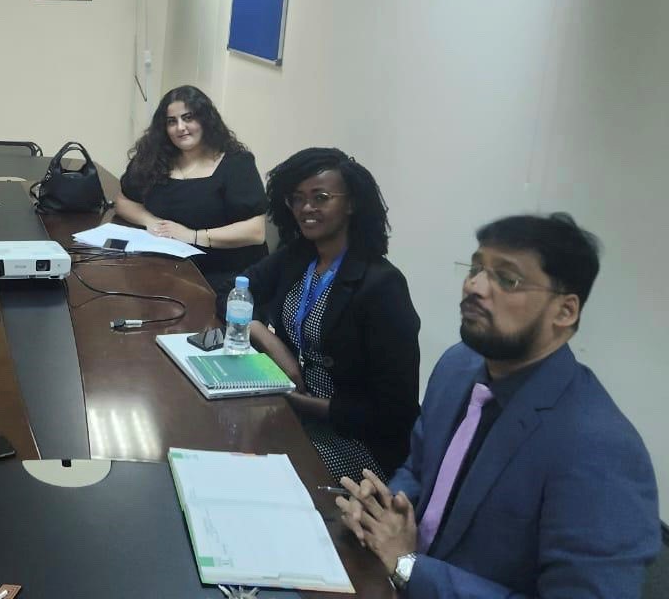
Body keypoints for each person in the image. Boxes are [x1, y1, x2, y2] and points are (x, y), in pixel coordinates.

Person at [337, 213, 659, 597]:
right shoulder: (457, 366)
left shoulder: (600, 447)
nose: (474, 286)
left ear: (564, 311)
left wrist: (409, 567)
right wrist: (383, 509)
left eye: (507, 279)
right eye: (475, 268)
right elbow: (419, 469)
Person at [243, 147, 420, 482]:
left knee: (261, 476)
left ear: (351, 204)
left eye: (320, 197)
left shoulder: (382, 285)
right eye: (297, 198)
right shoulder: (298, 257)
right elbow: (235, 291)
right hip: (293, 412)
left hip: (352, 440)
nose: (306, 208)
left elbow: (395, 412)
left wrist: (298, 402)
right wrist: (261, 332)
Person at [116, 85, 268, 311]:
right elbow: (124, 201)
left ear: (206, 120)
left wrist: (193, 236)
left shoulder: (236, 163)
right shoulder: (154, 158)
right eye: (171, 121)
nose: (180, 128)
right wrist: (152, 222)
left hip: (223, 277)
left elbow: (256, 232)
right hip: (166, 269)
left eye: (188, 118)